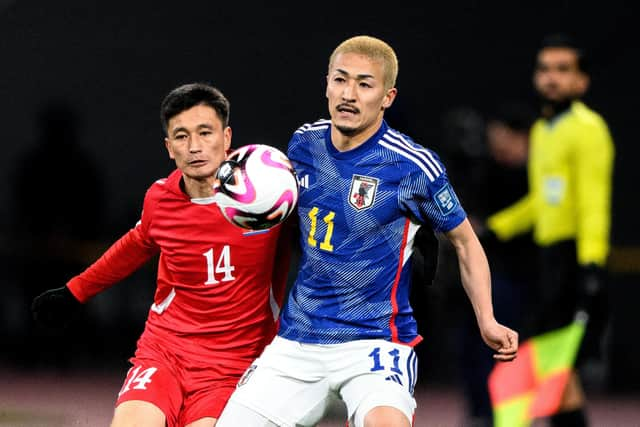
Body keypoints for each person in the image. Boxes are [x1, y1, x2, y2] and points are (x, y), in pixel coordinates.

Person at [217, 35, 518, 427]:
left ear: (387, 97)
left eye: (364, 84)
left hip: (375, 344)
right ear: (326, 83)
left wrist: (487, 318)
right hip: (297, 342)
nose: (349, 94)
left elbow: (465, 242)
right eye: (341, 80)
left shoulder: (412, 166)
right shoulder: (302, 145)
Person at [31, 83, 290, 427]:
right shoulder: (160, 199)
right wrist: (75, 292)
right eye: (181, 136)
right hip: (164, 353)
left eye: (205, 132)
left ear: (227, 138)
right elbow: (133, 247)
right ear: (169, 147)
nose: (195, 147)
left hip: (234, 366)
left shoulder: (269, 201)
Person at [486, 34, 615, 426]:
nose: (551, 78)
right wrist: (494, 229)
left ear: (582, 81)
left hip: (577, 261)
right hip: (548, 264)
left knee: (553, 371)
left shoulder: (588, 129)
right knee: (555, 373)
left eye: (563, 70)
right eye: (545, 69)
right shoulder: (543, 130)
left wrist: (591, 266)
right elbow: (543, 201)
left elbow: (594, 202)